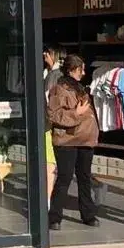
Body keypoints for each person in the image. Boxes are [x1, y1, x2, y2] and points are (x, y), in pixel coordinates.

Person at [47, 54, 99, 230]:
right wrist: (76, 113)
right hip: (67, 140)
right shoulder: (58, 89)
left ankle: (88, 214)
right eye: (80, 69)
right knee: (65, 177)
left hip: (85, 139)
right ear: (72, 70)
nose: (83, 73)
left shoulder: (81, 88)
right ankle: (54, 217)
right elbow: (54, 115)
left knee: (85, 177)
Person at [42, 46, 66, 202]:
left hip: (51, 124)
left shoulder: (53, 75)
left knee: (50, 163)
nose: (44, 54)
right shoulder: (54, 74)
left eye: (48, 53)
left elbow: (49, 100)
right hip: (57, 123)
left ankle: (48, 200)